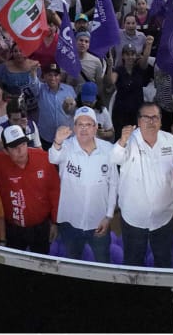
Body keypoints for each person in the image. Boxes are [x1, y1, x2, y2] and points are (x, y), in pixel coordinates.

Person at [112, 103, 173, 267]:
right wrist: (122, 141)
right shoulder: (129, 140)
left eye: (155, 117)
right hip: (134, 218)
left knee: (164, 262)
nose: (151, 121)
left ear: (161, 121)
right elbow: (115, 159)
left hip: (164, 218)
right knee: (133, 263)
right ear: (138, 121)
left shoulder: (170, 141)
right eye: (146, 117)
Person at [0, 124, 60, 254]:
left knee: (41, 260)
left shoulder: (44, 158)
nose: (21, 151)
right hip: (13, 229)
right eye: (14, 148)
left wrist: (55, 222)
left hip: (41, 227)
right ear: (5, 150)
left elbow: (55, 191)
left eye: (23, 144)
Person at [50, 107, 118, 262]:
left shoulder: (108, 150)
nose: (84, 128)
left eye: (88, 124)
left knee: (103, 261)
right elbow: (53, 157)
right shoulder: (65, 147)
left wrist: (108, 216)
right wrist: (57, 141)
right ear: (74, 128)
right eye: (80, 124)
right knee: (73, 261)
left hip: (99, 221)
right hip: (70, 222)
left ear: (95, 127)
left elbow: (114, 184)